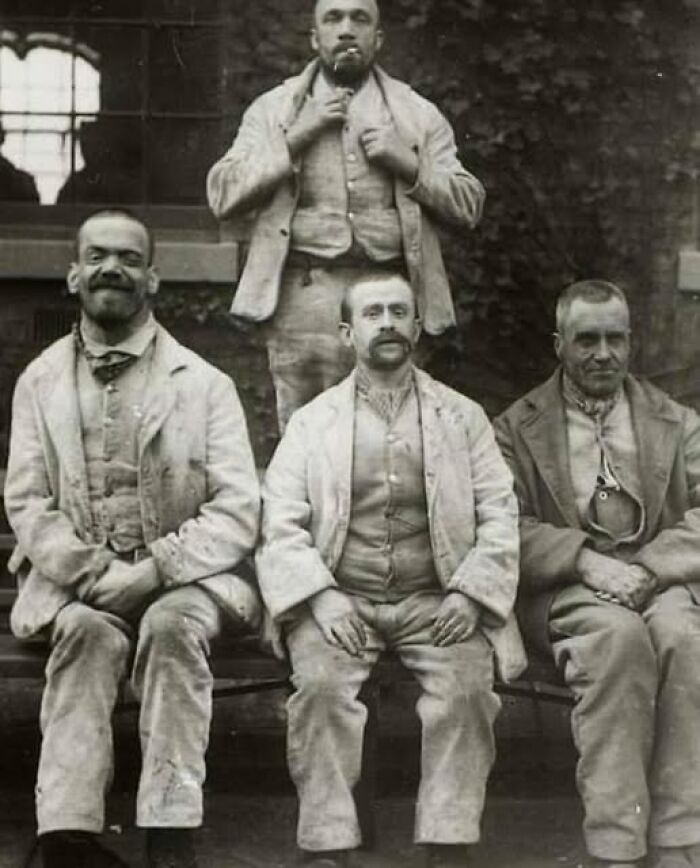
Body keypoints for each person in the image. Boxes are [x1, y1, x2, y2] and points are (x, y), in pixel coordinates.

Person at [5, 209, 262, 868]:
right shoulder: (40, 381)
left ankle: (170, 834)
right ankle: (67, 839)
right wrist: (93, 575)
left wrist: (153, 571)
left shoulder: (204, 384)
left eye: (127, 257)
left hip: (186, 582)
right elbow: (28, 501)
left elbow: (238, 509)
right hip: (79, 582)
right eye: (96, 257)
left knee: (173, 630)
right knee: (86, 634)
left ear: (153, 276)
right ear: (72, 275)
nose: (110, 269)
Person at [256, 273, 525, 867]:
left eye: (400, 312)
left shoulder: (463, 418)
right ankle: (328, 845)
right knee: (322, 693)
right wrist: (319, 598)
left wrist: (470, 597)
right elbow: (279, 520)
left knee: (466, 692)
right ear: (349, 333)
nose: (388, 323)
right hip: (340, 598)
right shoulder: (312, 423)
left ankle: (448, 840)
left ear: (417, 327)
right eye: (373, 313)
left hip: (437, 600)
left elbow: (501, 514)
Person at [494, 280, 700, 868]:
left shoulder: (674, 420)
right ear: (559, 344)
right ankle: (617, 844)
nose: (603, 353)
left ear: (631, 342)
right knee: (618, 641)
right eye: (587, 340)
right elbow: (498, 522)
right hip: (570, 587)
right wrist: (586, 560)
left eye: (615, 338)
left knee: (685, 641)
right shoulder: (516, 428)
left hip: (659, 581)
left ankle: (682, 835)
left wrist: (651, 567)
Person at [207, 0, 485, 432]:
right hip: (304, 299)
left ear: (378, 38)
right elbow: (223, 194)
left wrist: (407, 161)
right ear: (316, 37)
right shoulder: (274, 110)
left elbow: (468, 204)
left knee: (392, 429)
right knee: (304, 434)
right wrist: (296, 137)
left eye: (360, 18)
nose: (347, 29)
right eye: (333, 19)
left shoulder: (416, 113)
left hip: (391, 296)